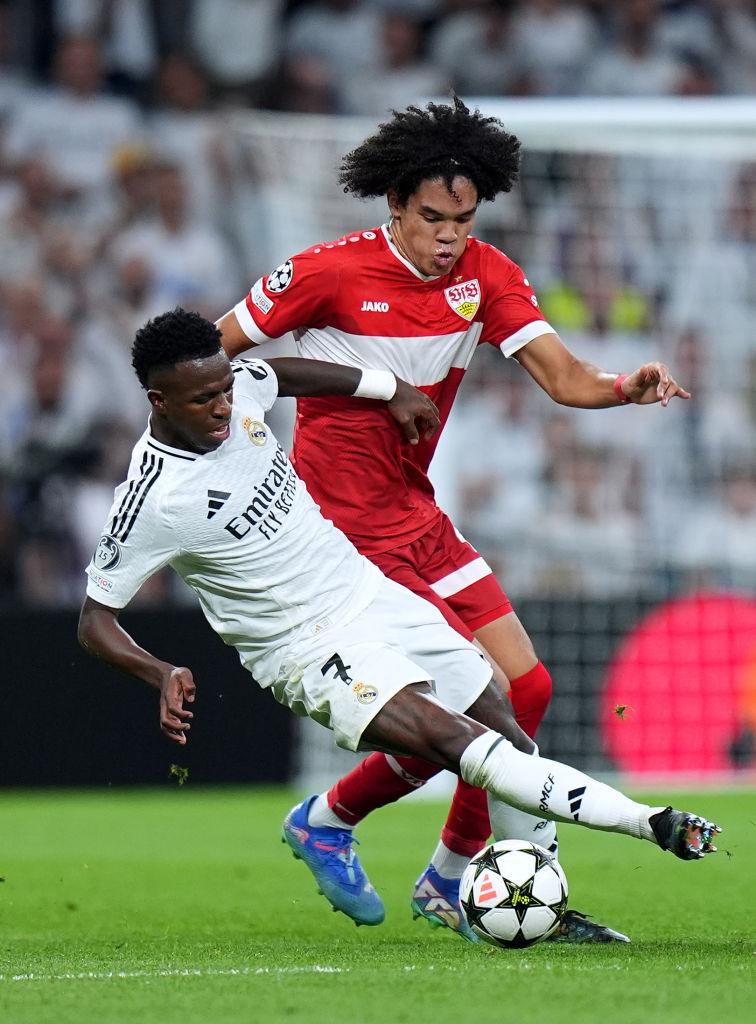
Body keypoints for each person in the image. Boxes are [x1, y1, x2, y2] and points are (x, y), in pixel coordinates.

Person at [77, 309, 720, 944]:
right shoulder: (154, 498)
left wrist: (389, 388)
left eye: (224, 388)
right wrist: (159, 671)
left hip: (371, 593)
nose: (225, 406)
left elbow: (282, 372)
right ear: (159, 401)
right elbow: (94, 621)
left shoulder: (236, 388)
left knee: (507, 730)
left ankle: (501, 897)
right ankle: (653, 823)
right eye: (204, 399)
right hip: (306, 647)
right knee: (466, 746)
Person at [215, 97, 693, 944]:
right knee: (473, 706)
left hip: (415, 511)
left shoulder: (486, 276)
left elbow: (563, 377)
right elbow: (208, 356)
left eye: (462, 221)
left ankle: (435, 869)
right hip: (338, 533)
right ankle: (343, 824)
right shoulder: (326, 273)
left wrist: (625, 387)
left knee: (528, 689)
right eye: (432, 218)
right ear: (395, 205)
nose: (448, 237)